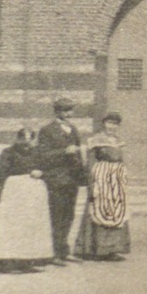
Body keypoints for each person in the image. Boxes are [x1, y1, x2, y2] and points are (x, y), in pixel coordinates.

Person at [0, 127, 51, 267]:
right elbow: (0, 173)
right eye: (23, 139)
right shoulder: (8, 153)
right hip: (13, 192)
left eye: (29, 139)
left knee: (29, 225)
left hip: (32, 194)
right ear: (18, 139)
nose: (26, 142)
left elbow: (47, 168)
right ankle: (5, 261)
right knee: (10, 225)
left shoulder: (37, 153)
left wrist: (41, 172)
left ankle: (26, 261)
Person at [75, 113, 131, 260]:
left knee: (116, 211)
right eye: (109, 123)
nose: (112, 126)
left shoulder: (118, 141)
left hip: (116, 179)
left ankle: (112, 249)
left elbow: (121, 160)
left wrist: (122, 176)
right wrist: (92, 182)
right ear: (104, 123)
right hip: (101, 177)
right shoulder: (96, 140)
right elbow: (91, 162)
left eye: (115, 124)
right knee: (98, 210)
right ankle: (94, 249)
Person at [37, 97, 87, 262]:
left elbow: (78, 153)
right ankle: (54, 253)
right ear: (57, 111)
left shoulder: (73, 129)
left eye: (70, 110)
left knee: (69, 215)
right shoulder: (47, 130)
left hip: (71, 180)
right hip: (56, 179)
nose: (69, 113)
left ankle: (64, 251)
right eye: (66, 110)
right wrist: (64, 152)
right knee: (56, 215)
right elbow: (43, 156)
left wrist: (82, 176)